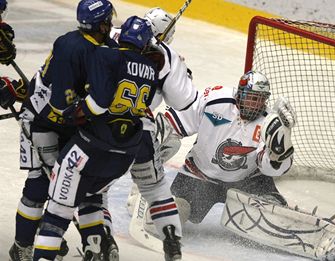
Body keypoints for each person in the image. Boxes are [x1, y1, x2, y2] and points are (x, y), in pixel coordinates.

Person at [33, 13, 196, 260]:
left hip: (95, 133)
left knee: (84, 193)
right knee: (154, 187)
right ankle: (171, 240)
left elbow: (88, 85)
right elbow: (184, 101)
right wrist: (177, 69)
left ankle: (98, 239)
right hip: (137, 136)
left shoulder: (104, 39)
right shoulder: (162, 59)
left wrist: (73, 111)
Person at [6, 0, 119, 260]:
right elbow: (60, 104)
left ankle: (91, 244)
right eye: (107, 20)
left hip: (68, 122)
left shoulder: (102, 45)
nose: (111, 24)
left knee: (85, 184)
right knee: (40, 184)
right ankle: (22, 246)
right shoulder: (71, 47)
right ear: (101, 24)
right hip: (42, 120)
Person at [164, 71, 296, 225]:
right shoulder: (216, 101)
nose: (256, 104)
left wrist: (281, 142)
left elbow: (271, 169)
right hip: (200, 176)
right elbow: (175, 123)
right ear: (240, 94)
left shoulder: (269, 122)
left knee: (269, 215)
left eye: (261, 99)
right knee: (179, 210)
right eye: (252, 98)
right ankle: (155, 209)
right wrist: (156, 145)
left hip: (247, 182)